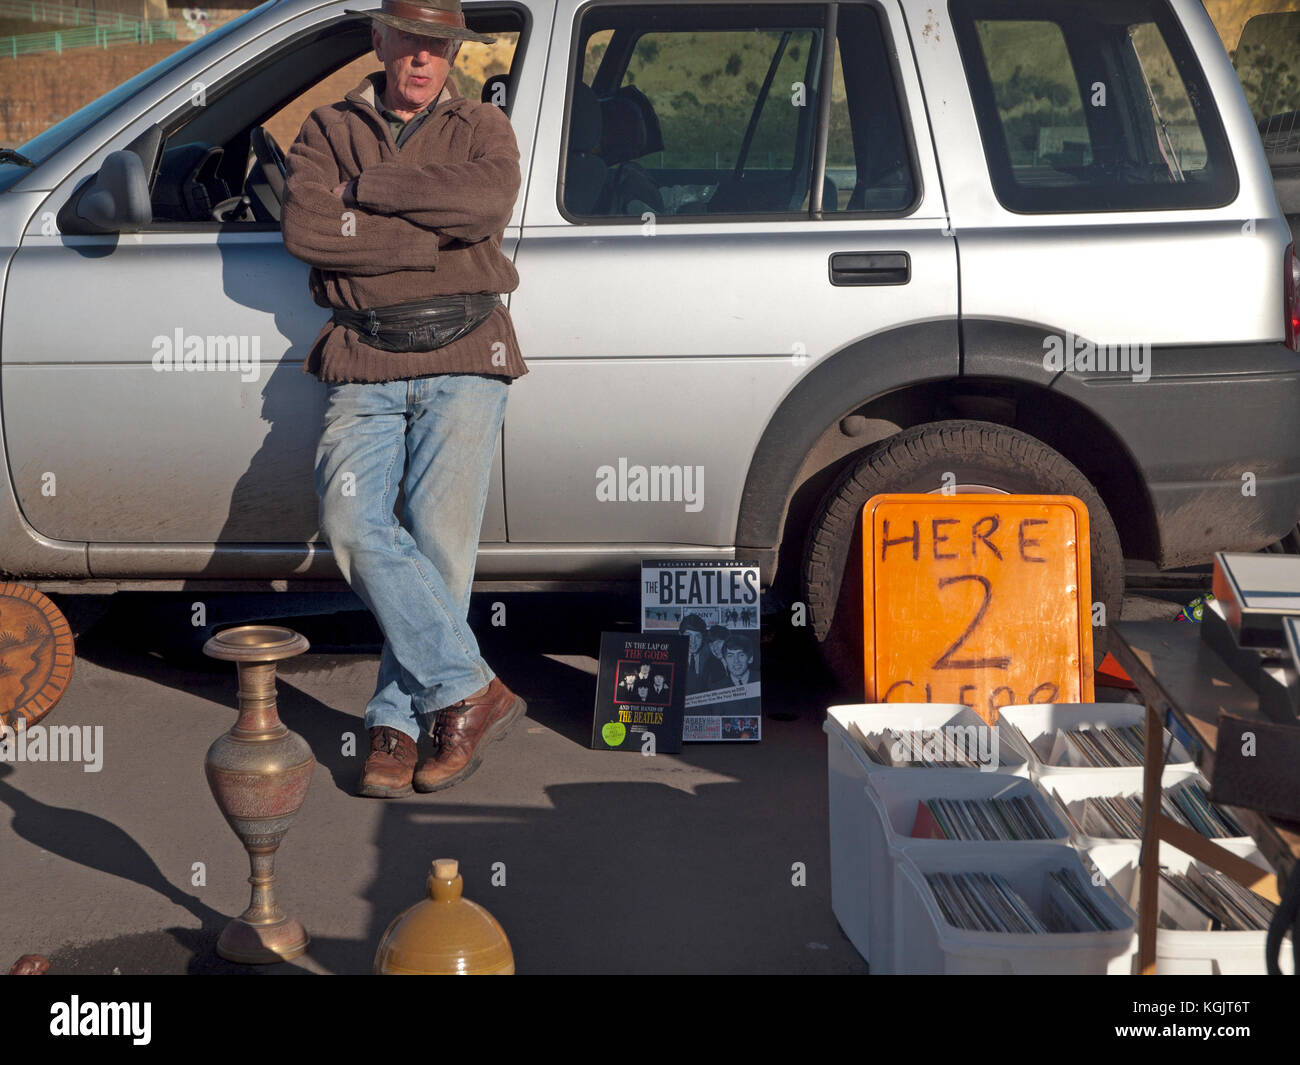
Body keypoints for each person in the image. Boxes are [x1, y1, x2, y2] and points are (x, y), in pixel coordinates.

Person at [281, 0, 527, 798]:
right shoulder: (325, 127)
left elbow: (485, 208)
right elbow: (309, 232)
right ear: (380, 40)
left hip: (466, 352)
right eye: (409, 42)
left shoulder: (484, 128)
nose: (422, 59)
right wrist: (434, 238)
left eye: (438, 47)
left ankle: (394, 720)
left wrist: (375, 190)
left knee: (440, 551)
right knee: (351, 524)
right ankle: (468, 688)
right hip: (364, 353)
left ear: (453, 54)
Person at [678, 613, 710, 694]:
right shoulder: (671, 658)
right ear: (680, 635)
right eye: (688, 635)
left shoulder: (711, 657)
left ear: (703, 638)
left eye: (698, 636)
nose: (693, 641)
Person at [704, 624, 730, 690]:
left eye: (718, 642)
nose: (715, 648)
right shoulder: (709, 666)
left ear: (727, 641)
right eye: (711, 644)